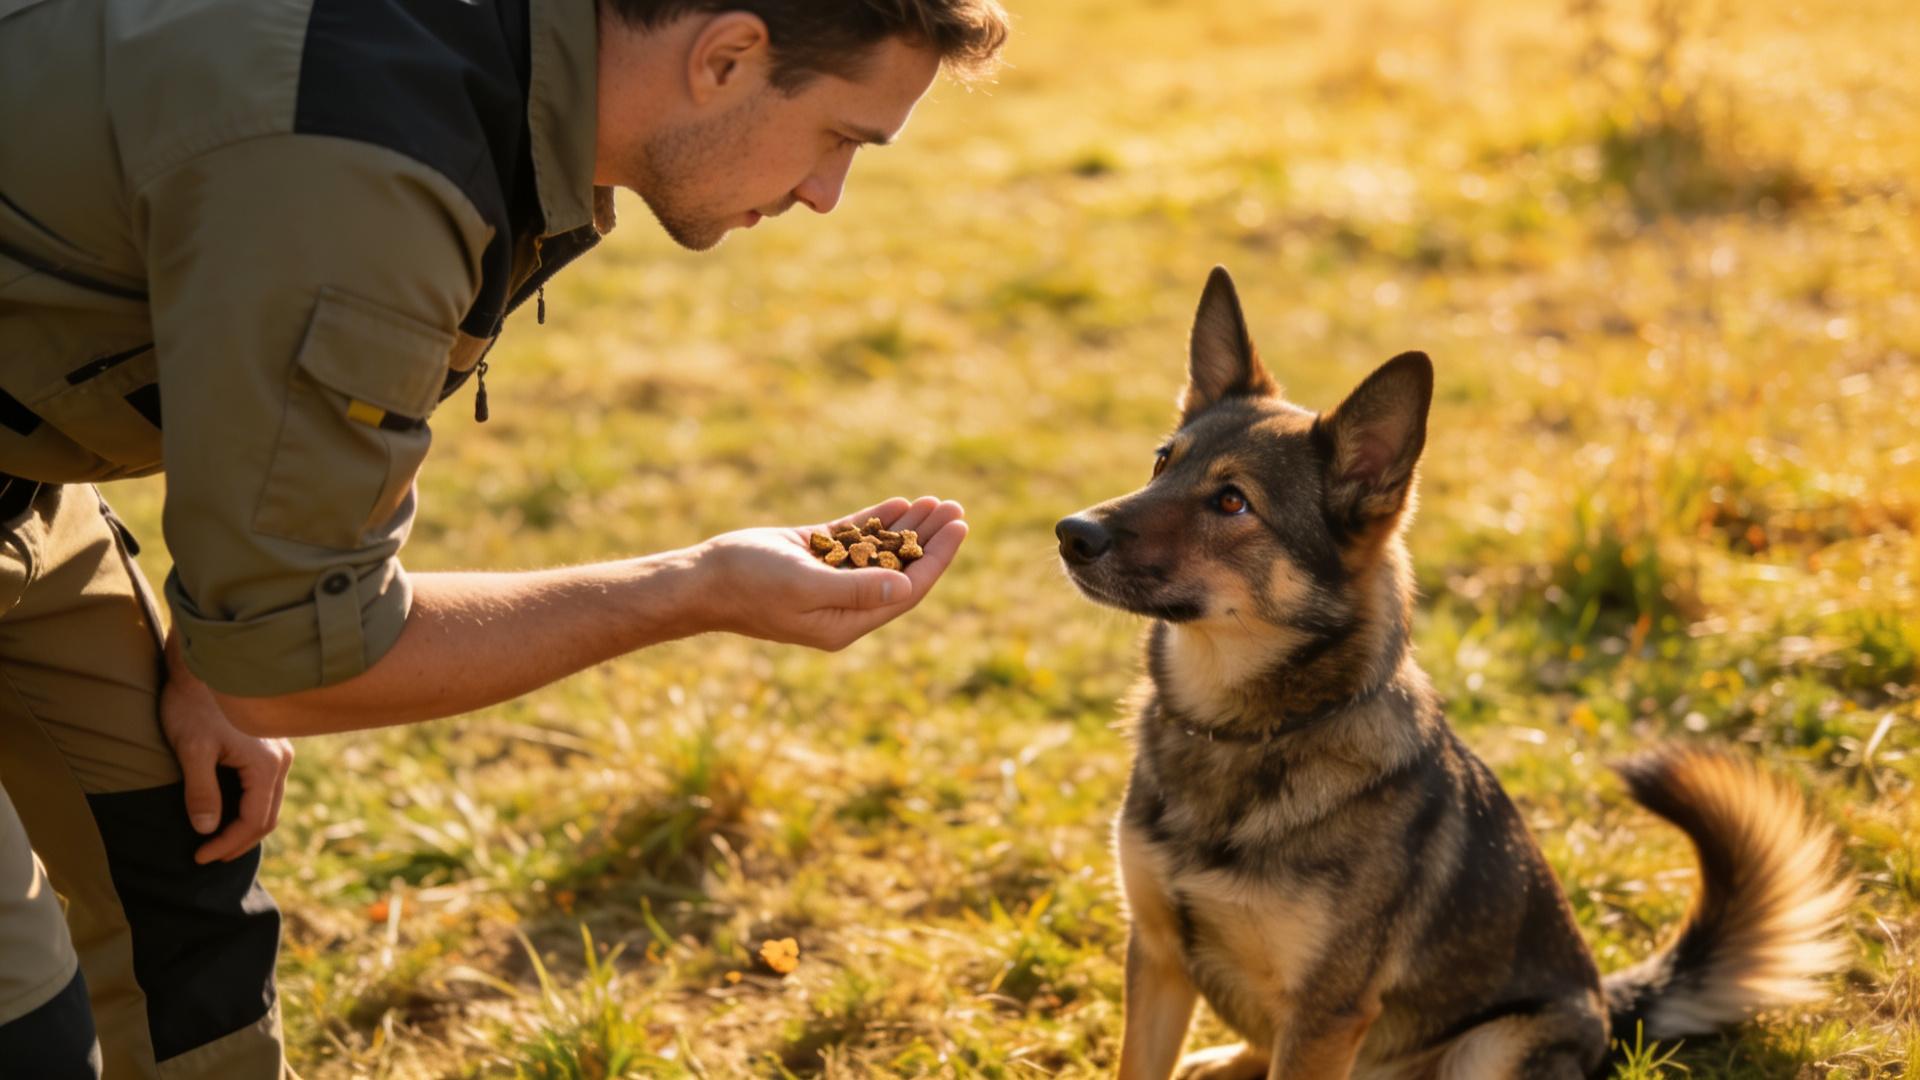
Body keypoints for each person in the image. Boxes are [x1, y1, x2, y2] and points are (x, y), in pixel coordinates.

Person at [0, 0, 1007, 1074]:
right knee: (28, 1028)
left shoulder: (496, 72)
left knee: (184, 883)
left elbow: (272, 415)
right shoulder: (365, 152)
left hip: (28, 484)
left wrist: (217, 638)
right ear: (725, 55)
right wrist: (695, 589)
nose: (825, 195)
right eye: (842, 138)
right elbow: (293, 667)